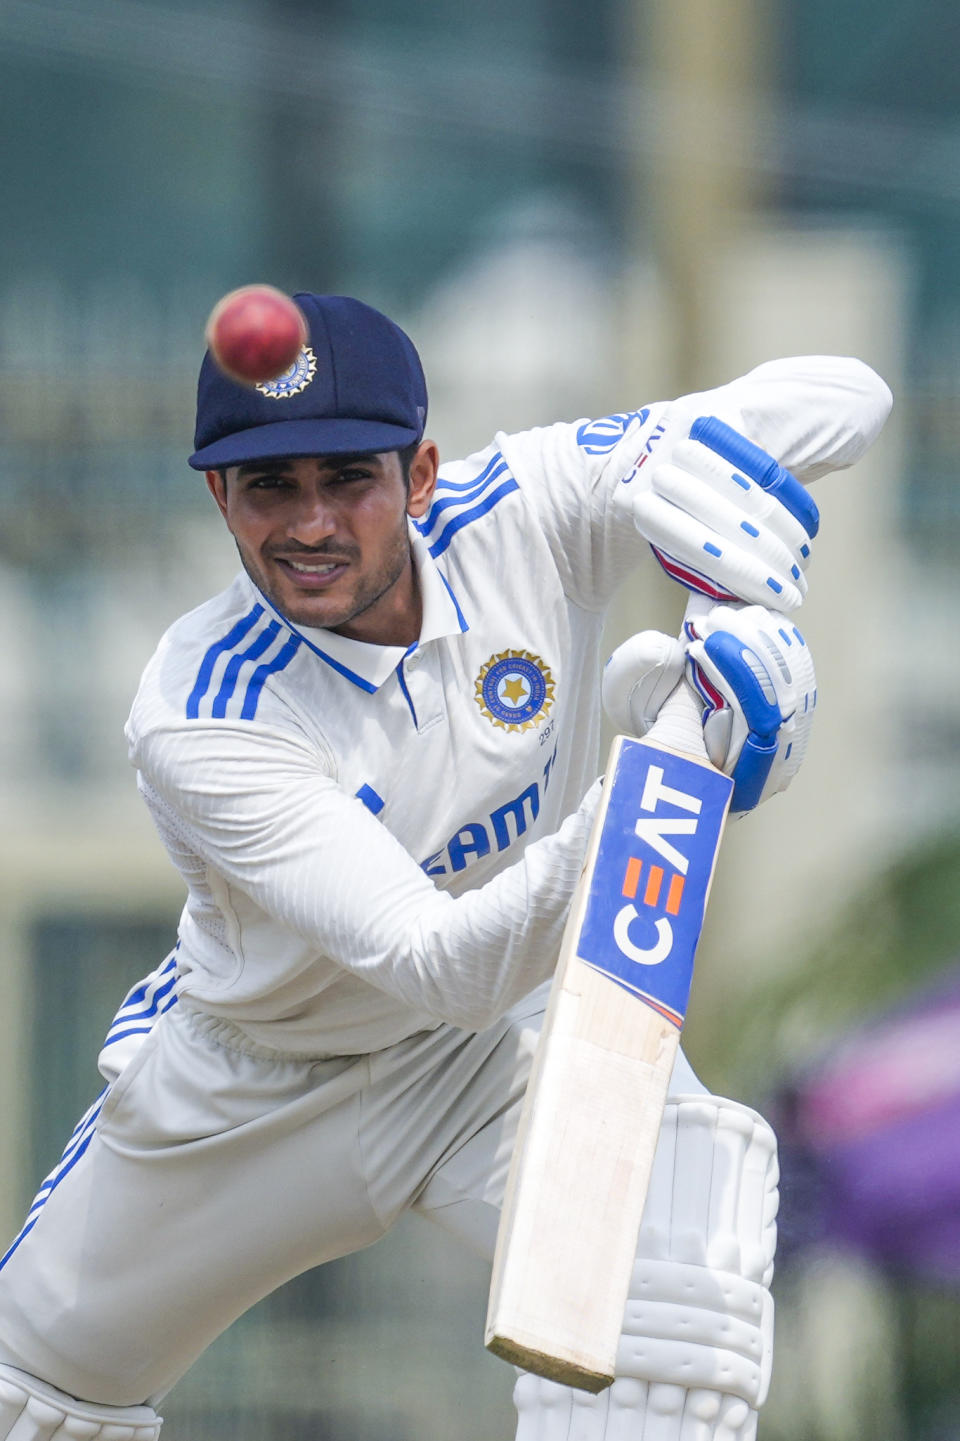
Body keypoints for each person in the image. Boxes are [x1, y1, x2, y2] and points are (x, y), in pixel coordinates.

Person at [0, 293, 891, 1441]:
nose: (312, 524)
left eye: (349, 479)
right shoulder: (199, 709)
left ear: (421, 476)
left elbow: (850, 397)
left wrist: (704, 465)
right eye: (270, 486)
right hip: (251, 1092)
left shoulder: (525, 505)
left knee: (680, 1296)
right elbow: (436, 958)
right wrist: (668, 774)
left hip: (491, 1056)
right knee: (33, 1402)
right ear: (220, 496)